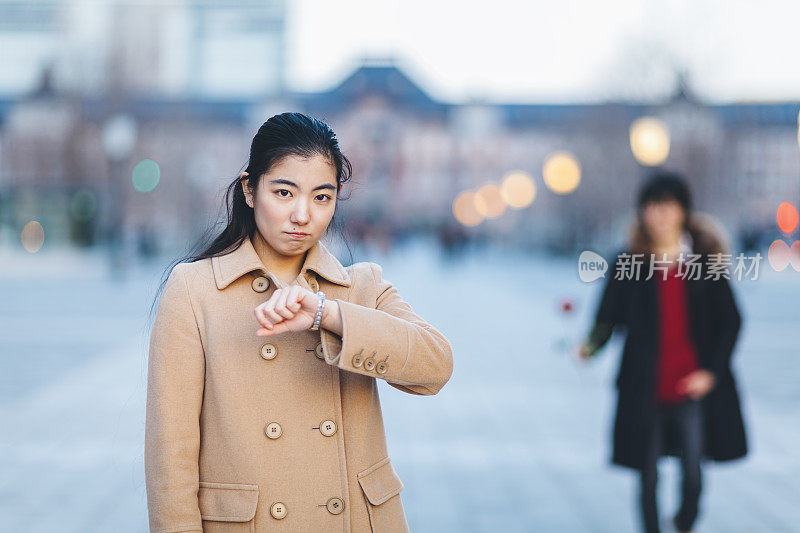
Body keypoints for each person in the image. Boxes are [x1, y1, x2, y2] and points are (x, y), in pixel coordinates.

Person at [145, 112, 454, 532]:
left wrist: (329, 314)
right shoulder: (194, 290)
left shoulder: (360, 286)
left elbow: (435, 366)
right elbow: (171, 459)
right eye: (285, 192)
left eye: (322, 197)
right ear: (250, 190)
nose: (302, 215)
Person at [577, 170, 747, 533]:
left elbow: (731, 321)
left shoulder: (705, 261)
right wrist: (590, 347)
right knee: (648, 474)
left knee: (693, 475)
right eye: (652, 207)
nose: (660, 215)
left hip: (691, 385)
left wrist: (711, 373)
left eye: (668, 207)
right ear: (642, 212)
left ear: (683, 211)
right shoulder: (628, 262)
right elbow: (607, 319)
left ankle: (684, 522)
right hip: (645, 385)